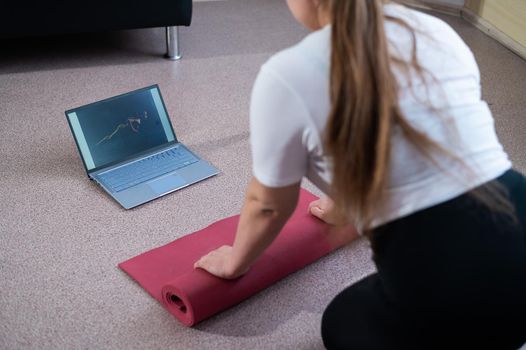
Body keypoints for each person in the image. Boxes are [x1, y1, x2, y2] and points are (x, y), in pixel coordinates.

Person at [194, 0, 526, 348]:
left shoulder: (286, 74)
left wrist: (234, 263)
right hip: (517, 205)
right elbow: (402, 132)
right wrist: (344, 204)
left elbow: (268, 204)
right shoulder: (435, 31)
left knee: (342, 321)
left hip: (445, 269)